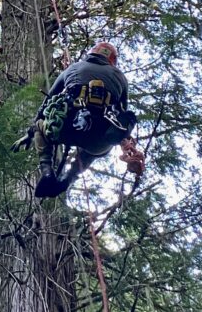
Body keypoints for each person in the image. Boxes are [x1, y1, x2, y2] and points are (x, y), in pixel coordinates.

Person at [19, 42, 145, 198]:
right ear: (112, 60)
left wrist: (30, 133)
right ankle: (68, 179)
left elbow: (46, 104)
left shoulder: (73, 68)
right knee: (94, 152)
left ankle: (47, 171)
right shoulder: (120, 77)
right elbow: (122, 114)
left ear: (92, 53)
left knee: (40, 126)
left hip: (65, 128)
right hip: (97, 140)